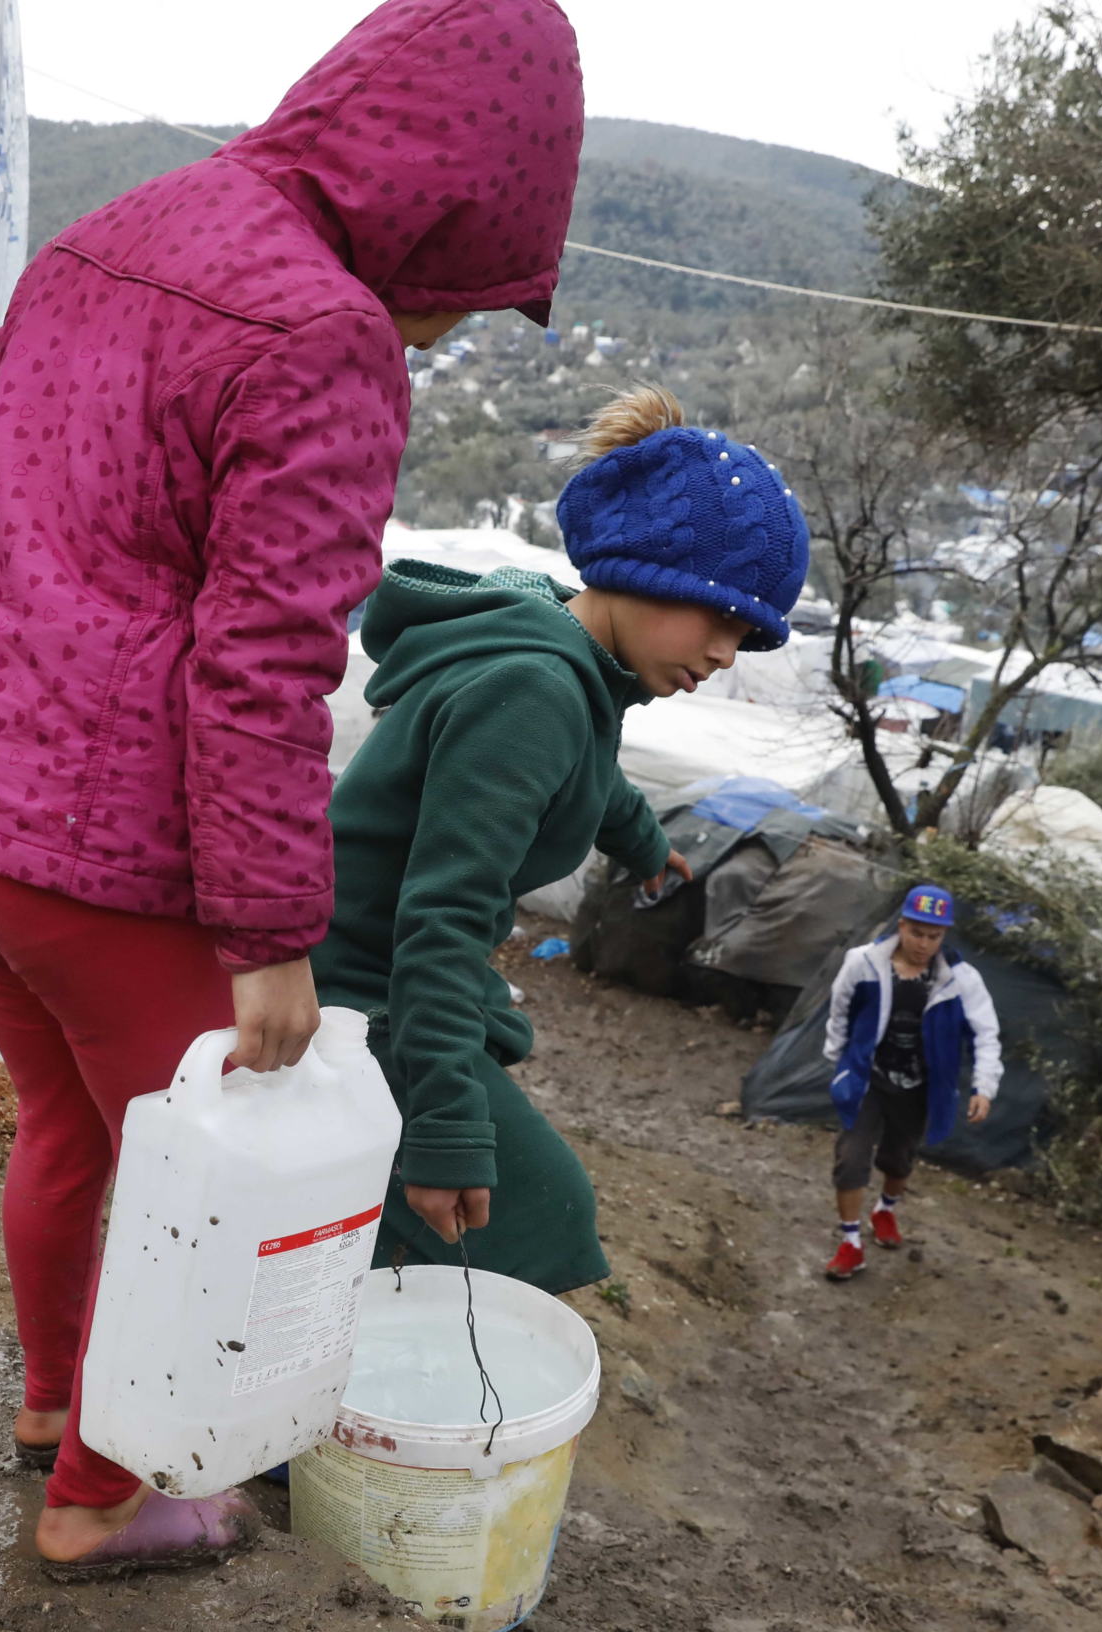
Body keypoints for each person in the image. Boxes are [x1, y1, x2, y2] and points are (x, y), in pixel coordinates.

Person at [0, 0, 587, 1579]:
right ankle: (106, 1493)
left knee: (66, 1129)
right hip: (111, 863)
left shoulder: (109, 237)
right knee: (190, 1186)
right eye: (460, 300)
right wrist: (272, 931)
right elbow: (265, 660)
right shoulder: (323, 330)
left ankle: (55, 1406)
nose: (438, 335)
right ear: (447, 202)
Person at [313, 384, 809, 1291]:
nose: (730, 652)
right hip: (355, 993)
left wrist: (645, 841)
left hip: (375, 966)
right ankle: (314, 1398)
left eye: (751, 633)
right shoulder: (536, 690)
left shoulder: (560, 648)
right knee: (545, 1215)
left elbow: (588, 773)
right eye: (723, 615)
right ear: (652, 570)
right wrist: (445, 1128)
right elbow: (441, 921)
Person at [818, 884, 1001, 1280]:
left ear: (944, 936)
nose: (924, 944)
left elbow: (986, 1033)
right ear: (901, 926)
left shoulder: (961, 980)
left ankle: (885, 1209)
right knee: (851, 1158)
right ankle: (850, 1243)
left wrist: (983, 1087)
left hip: (920, 1086)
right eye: (917, 933)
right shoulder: (864, 963)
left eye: (934, 936)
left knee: (898, 1159)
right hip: (869, 1079)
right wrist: (839, 1061)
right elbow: (840, 1009)